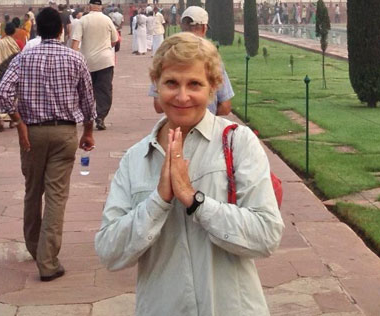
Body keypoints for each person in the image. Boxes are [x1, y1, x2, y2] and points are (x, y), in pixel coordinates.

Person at [96, 32, 282, 314]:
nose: (182, 96)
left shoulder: (237, 143)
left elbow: (266, 235)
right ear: (156, 86)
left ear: (212, 89)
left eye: (194, 84)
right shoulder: (136, 159)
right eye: (171, 83)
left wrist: (195, 201)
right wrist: (158, 202)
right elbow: (110, 252)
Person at [0, 7, 95, 282]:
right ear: (62, 30)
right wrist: (88, 131)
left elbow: (4, 93)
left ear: (36, 29)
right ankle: (48, 260)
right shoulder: (75, 58)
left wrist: (19, 122)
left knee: (32, 191)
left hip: (32, 134)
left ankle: (34, 247)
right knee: (56, 196)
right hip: (64, 134)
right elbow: (88, 102)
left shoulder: (24, 57)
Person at [149, 6, 234, 117]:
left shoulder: (166, 55)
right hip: (205, 128)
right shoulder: (210, 59)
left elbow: (158, 106)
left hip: (175, 127)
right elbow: (225, 106)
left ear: (181, 25)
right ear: (204, 28)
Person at [71, 0, 120, 131]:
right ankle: (100, 117)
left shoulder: (83, 20)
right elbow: (115, 40)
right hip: (105, 61)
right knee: (104, 90)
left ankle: (88, 116)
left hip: (87, 61)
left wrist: (73, 60)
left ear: (89, 6)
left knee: (86, 91)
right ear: (101, 7)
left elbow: (75, 42)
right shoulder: (107, 19)